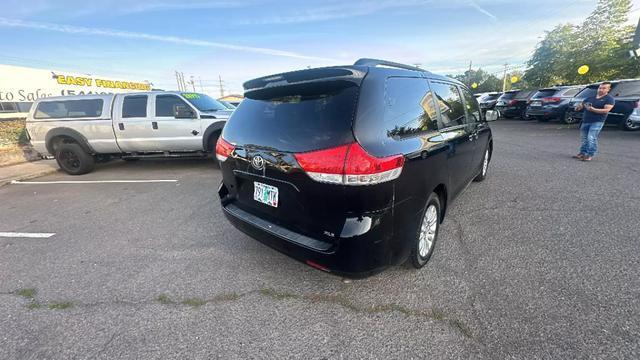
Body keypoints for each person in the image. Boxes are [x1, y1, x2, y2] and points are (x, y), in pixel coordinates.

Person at [573, 82, 615, 161]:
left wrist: (593, 109)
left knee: (591, 138)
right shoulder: (590, 98)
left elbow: (606, 110)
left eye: (604, 88)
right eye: (600, 88)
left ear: (608, 89)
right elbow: (580, 106)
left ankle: (590, 154)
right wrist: (578, 107)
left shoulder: (609, 99)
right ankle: (582, 153)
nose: (601, 90)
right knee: (584, 138)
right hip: (585, 120)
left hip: (597, 121)